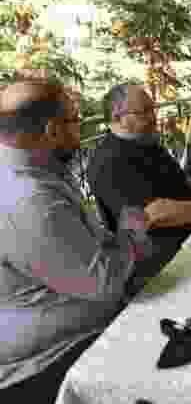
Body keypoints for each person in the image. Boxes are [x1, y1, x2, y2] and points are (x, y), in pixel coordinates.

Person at [0, 80, 142, 402]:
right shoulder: (28, 198)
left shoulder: (37, 172)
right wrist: (132, 233)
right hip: (49, 364)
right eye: (75, 120)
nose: (81, 128)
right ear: (51, 130)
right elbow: (104, 283)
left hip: (72, 336)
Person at [88, 83, 191, 283]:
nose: (153, 117)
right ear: (118, 118)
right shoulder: (109, 161)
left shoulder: (144, 140)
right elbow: (154, 214)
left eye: (153, 108)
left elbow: (182, 177)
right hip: (164, 257)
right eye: (144, 111)